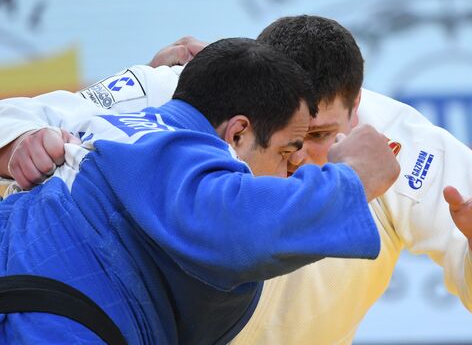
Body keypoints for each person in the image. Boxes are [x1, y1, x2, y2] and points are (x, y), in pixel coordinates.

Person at [1, 16, 472, 344]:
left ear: (358, 106)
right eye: (290, 141)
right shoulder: (181, 84)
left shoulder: (400, 141)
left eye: (322, 137)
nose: (300, 163)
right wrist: (20, 143)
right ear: (242, 119)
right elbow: (26, 115)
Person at [0, 37, 400, 344]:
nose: (290, 172)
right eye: (286, 153)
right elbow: (243, 224)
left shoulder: (112, 131)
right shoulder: (175, 153)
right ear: (239, 132)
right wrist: (352, 178)